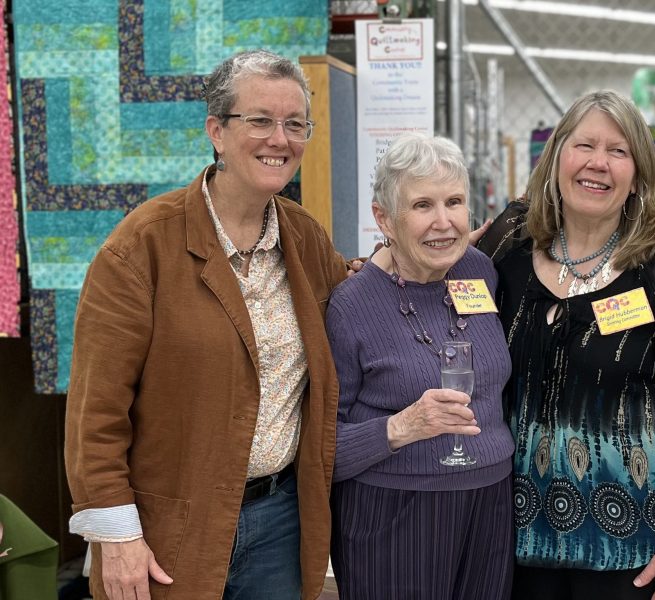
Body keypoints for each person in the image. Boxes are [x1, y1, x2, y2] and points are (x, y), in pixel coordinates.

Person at [64, 50, 347, 600]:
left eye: (295, 124)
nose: (280, 139)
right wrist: (116, 537)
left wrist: (430, 250)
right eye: (260, 120)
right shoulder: (142, 246)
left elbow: (359, 298)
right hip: (168, 530)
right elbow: (95, 414)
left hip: (282, 524)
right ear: (216, 131)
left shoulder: (306, 239)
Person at [478, 90, 655, 600]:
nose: (598, 163)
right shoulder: (511, 236)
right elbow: (438, 276)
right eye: (584, 146)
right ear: (556, 156)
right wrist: (380, 262)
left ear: (638, 174)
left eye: (618, 152)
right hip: (510, 541)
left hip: (634, 555)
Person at [327, 133, 516, 599]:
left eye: (454, 202)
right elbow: (320, 446)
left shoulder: (479, 270)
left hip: (490, 501)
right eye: (422, 206)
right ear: (383, 218)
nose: (444, 222)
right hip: (394, 511)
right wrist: (401, 427)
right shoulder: (350, 306)